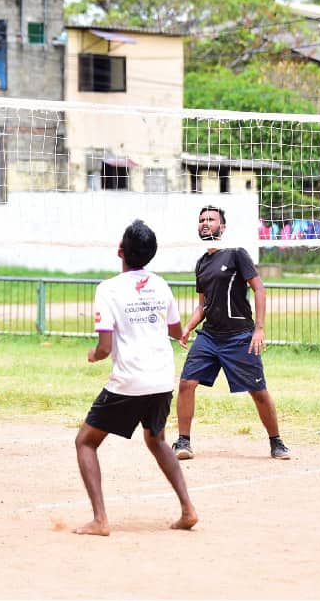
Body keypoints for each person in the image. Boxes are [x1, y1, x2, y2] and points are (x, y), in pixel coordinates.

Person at [73, 220, 197, 536]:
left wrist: (93, 355)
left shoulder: (108, 289)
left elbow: (104, 347)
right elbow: (174, 329)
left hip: (130, 381)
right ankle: (188, 509)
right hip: (161, 379)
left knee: (85, 442)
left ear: (120, 251)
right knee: (156, 439)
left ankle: (100, 520)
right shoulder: (161, 284)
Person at [173, 205, 290, 460]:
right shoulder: (201, 263)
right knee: (185, 384)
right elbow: (202, 305)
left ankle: (276, 442)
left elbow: (260, 289)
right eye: (201, 219)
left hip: (239, 336)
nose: (205, 223)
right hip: (210, 337)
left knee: (258, 392)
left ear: (222, 227)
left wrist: (259, 329)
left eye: (211, 219)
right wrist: (188, 328)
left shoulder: (237, 254)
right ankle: (183, 441)